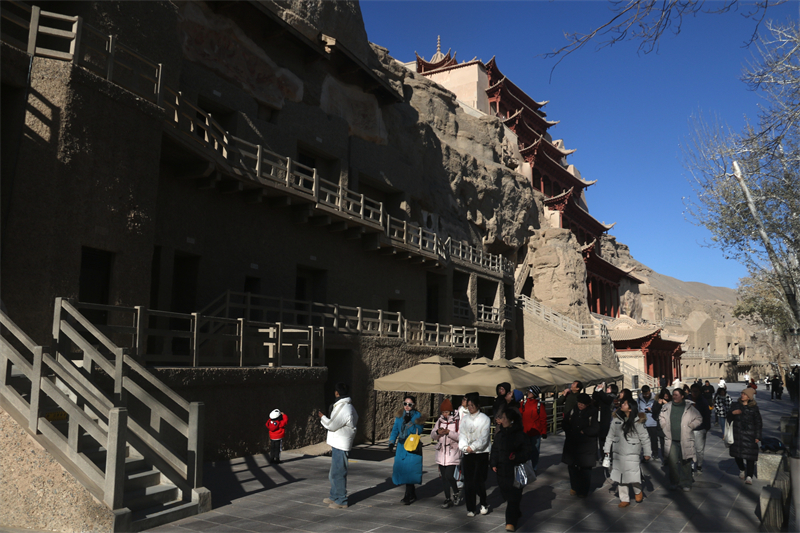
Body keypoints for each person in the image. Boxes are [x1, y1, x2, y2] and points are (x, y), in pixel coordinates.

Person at [604, 398, 651, 507]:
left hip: (632, 451)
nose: (622, 405)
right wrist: (607, 450)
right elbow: (610, 435)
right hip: (618, 452)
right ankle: (624, 499)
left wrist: (647, 452)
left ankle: (638, 491)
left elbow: (645, 437)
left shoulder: (637, 421)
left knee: (633, 474)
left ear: (630, 408)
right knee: (620, 476)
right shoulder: (616, 419)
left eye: (625, 404)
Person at [318, 382, 358, 509]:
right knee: (334, 472)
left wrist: (322, 417)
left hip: (341, 444)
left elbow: (331, 425)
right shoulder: (348, 406)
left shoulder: (343, 407)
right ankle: (334, 495)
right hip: (339, 443)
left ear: (337, 393)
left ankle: (341, 500)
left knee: (338, 472)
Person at [491, 408, 530, 532]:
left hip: (515, 470)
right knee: (505, 493)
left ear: (511, 420)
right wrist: (493, 463)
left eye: (503, 418)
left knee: (514, 495)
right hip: (502, 470)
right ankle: (516, 510)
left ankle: (510, 522)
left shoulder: (520, 436)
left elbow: (527, 452)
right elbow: (495, 450)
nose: (501, 420)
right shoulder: (500, 435)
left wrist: (517, 457)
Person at [658, 388, 702, 492]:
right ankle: (674, 482)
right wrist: (664, 426)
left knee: (685, 461)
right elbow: (661, 417)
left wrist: (691, 426)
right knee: (672, 462)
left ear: (682, 396)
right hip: (671, 439)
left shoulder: (689, 407)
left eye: (677, 395)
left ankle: (686, 482)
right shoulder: (667, 407)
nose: (674, 396)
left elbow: (699, 418)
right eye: (673, 395)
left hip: (685, 439)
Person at [459, 392, 492, 517]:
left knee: (479, 480)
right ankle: (471, 507)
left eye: (472, 405)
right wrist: (464, 447)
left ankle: (483, 502)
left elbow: (484, 437)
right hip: (468, 453)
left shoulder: (485, 419)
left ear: (478, 405)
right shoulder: (465, 419)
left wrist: (473, 447)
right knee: (468, 482)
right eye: (469, 405)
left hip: (481, 453)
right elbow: (461, 434)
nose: (470, 407)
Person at [388, 395, 425, 504]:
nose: (407, 406)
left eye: (409, 404)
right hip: (401, 446)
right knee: (403, 470)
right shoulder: (399, 415)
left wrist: (409, 423)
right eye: (405, 404)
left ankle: (408, 495)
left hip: (412, 446)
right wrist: (391, 442)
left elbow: (419, 431)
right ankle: (411, 493)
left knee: (411, 470)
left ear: (414, 405)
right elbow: (395, 429)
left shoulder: (419, 416)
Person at [561, 393, 599, 498]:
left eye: (582, 404)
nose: (580, 405)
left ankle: (583, 490)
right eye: (579, 403)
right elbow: (565, 423)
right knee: (572, 466)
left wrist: (584, 431)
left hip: (587, 444)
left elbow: (596, 428)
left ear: (587, 404)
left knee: (585, 469)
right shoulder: (573, 411)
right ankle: (574, 487)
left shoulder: (593, 412)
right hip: (572, 443)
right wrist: (569, 431)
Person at [728, 387, 763, 485]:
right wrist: (732, 413)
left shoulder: (754, 408)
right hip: (737, 434)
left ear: (749, 397)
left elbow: (758, 422)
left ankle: (749, 476)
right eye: (742, 393)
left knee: (750, 456)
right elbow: (728, 418)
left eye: (745, 394)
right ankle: (742, 469)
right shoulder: (735, 405)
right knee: (737, 454)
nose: (742, 395)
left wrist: (758, 436)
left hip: (750, 435)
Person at [431, 399, 462, 508]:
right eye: (443, 412)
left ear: (451, 411)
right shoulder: (439, 421)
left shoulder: (457, 421)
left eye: (447, 412)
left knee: (449, 475)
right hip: (441, 452)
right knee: (443, 477)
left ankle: (456, 492)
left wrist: (449, 433)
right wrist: (437, 433)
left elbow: (460, 437)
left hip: (452, 451)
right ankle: (447, 498)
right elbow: (433, 435)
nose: (445, 414)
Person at [519, 385, 547, 473]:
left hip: (535, 432)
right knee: (524, 451)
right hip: (524, 431)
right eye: (528, 392)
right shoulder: (523, 403)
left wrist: (544, 431)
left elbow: (543, 419)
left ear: (534, 394)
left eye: (530, 392)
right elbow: (519, 415)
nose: (528, 393)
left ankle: (533, 468)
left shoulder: (539, 405)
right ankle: (525, 467)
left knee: (534, 451)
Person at [689, 384, 711, 474]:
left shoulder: (703, 401)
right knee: (690, 448)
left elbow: (707, 416)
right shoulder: (687, 400)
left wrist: (706, 427)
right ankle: (691, 466)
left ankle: (699, 465)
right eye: (692, 391)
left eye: (696, 391)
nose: (694, 393)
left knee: (699, 450)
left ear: (699, 392)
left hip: (700, 429)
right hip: (688, 429)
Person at [593, 382, 617, 456]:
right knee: (600, 438)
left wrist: (600, 391)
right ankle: (602, 455)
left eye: (609, 388)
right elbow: (595, 398)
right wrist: (597, 390)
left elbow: (606, 400)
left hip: (608, 420)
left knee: (607, 437)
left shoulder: (612, 396)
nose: (607, 389)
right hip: (600, 418)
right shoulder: (603, 395)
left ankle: (609, 454)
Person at [637, 385, 659, 461]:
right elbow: (637, 408)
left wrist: (651, 409)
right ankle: (645, 454)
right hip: (642, 421)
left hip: (652, 421)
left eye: (647, 394)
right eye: (644, 394)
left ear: (650, 391)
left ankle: (655, 452)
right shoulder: (639, 398)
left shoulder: (655, 398)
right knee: (644, 439)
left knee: (653, 438)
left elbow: (658, 409)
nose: (646, 395)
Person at [651, 388, 671, 461]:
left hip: (671, 425)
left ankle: (672, 458)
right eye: (665, 396)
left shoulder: (671, 401)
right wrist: (659, 404)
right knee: (663, 443)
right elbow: (654, 412)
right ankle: (665, 458)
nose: (666, 397)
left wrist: (667, 404)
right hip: (661, 425)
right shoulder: (657, 401)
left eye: (667, 396)